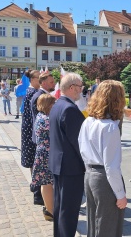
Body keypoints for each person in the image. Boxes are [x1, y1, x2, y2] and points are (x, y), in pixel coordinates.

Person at [79, 80, 127, 237]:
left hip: (90, 175)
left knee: (94, 224)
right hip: (104, 179)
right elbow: (111, 167)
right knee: (107, 227)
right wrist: (120, 194)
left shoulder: (88, 121)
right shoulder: (110, 127)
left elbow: (82, 149)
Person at [49, 72, 86, 237]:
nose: (81, 90)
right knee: (69, 211)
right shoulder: (70, 109)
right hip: (71, 168)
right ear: (72, 88)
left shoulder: (58, 104)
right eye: (80, 87)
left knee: (60, 208)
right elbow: (79, 142)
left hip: (59, 164)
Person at [31, 94, 56, 222]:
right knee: (46, 183)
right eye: (53, 103)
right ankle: (50, 211)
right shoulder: (46, 119)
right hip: (46, 154)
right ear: (48, 105)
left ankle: (48, 208)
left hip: (42, 153)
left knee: (45, 182)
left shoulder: (40, 116)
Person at [20, 69, 43, 205]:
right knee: (35, 160)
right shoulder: (33, 93)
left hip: (28, 129)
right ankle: (36, 189)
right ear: (32, 79)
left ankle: (34, 185)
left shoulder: (31, 91)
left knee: (32, 160)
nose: (40, 81)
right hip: (31, 130)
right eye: (38, 78)